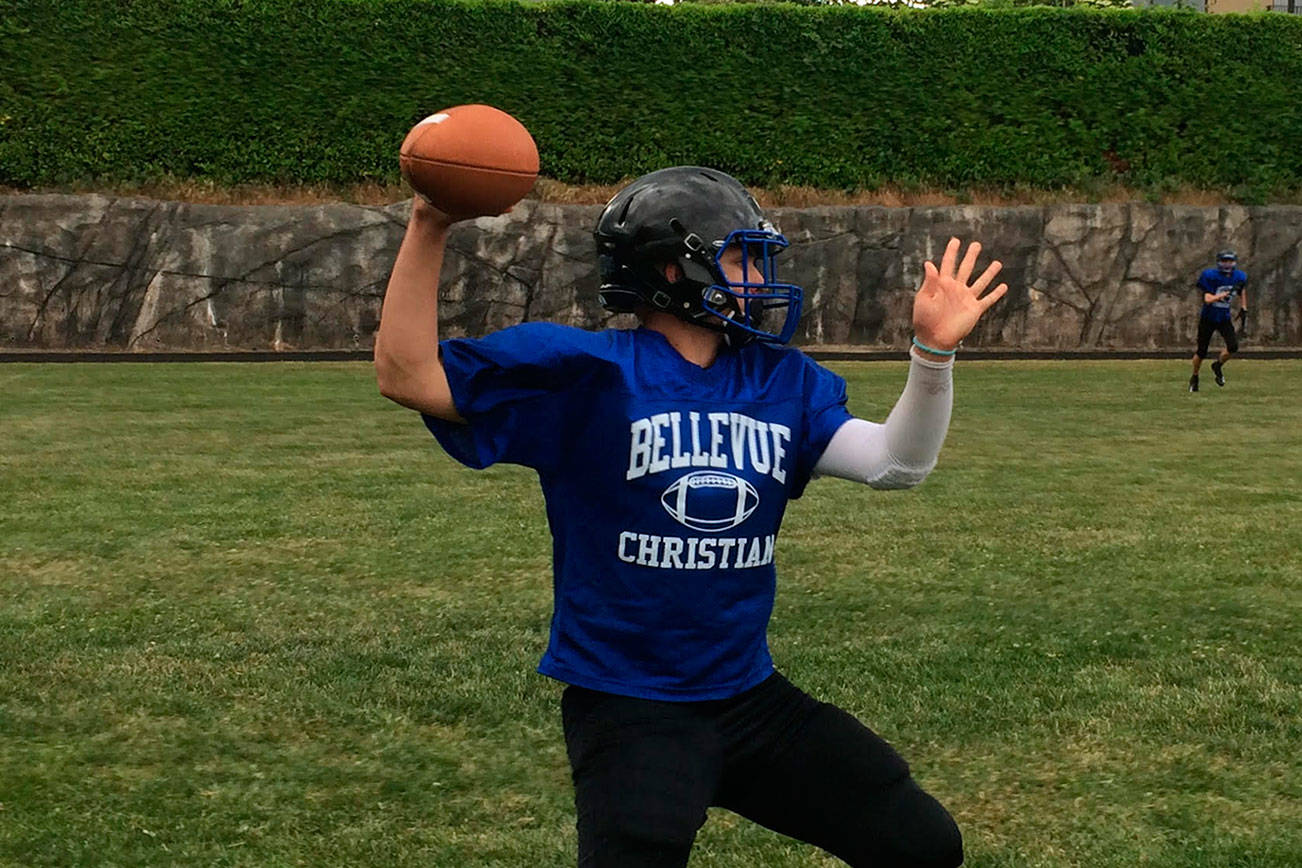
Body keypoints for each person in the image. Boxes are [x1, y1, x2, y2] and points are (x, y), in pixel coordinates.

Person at [374, 166, 1008, 868]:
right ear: (676, 267)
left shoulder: (778, 378)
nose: (758, 272)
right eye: (740, 254)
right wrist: (430, 223)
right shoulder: (588, 372)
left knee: (920, 842)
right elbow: (409, 375)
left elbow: (896, 463)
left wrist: (933, 353)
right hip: (629, 705)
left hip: (749, 698)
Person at [1189, 250, 1248, 392]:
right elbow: (1207, 299)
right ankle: (1195, 376)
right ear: (1219, 262)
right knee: (1202, 351)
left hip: (1223, 318)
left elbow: (1242, 289)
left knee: (1233, 346)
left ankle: (1217, 365)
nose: (1227, 264)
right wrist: (1223, 295)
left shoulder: (1239, 276)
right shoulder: (1211, 276)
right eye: (1225, 261)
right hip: (1208, 318)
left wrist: (1244, 307)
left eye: (1230, 261)